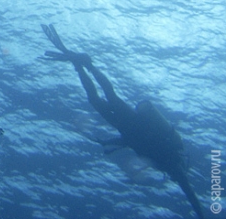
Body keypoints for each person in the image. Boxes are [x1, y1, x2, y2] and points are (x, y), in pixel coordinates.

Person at [42, 24, 206, 219]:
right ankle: (85, 64)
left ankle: (81, 64)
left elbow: (131, 143)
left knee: (99, 99)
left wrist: (108, 142)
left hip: (125, 126)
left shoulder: (161, 159)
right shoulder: (169, 163)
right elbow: (189, 192)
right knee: (108, 97)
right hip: (130, 123)